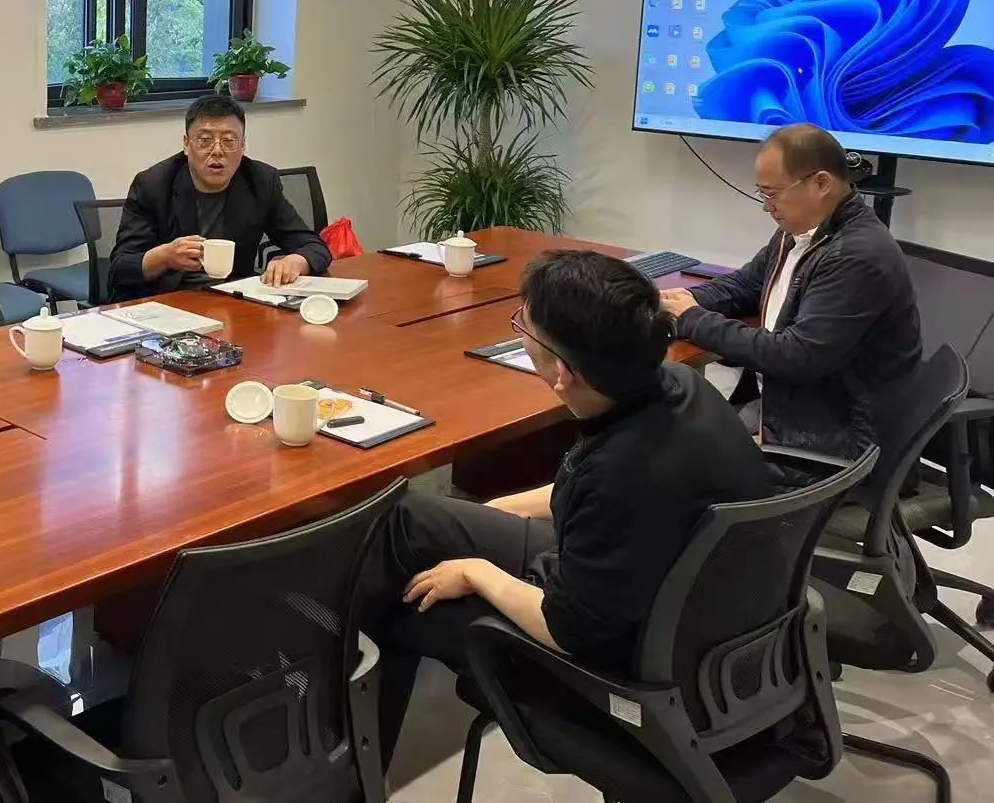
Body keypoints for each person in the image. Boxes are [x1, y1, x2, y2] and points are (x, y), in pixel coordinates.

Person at [363, 250, 771, 764]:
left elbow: (568, 630)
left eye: (523, 326)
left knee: (400, 601)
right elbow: (591, 499)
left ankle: (354, 771)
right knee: (405, 518)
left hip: (622, 662)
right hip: (674, 600)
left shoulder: (621, 473)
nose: (519, 332)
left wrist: (478, 572)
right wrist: (495, 511)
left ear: (561, 371)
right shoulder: (681, 388)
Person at [658, 123, 921, 458]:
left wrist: (693, 319)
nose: (767, 206)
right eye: (762, 194)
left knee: (669, 458)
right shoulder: (802, 230)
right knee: (669, 428)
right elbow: (747, 284)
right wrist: (681, 302)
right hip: (787, 408)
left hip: (834, 444)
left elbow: (796, 356)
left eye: (772, 193)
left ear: (821, 183)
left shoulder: (857, 255)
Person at [108, 94, 332, 301]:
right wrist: (165, 256)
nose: (217, 151)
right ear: (186, 144)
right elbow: (120, 269)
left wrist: (296, 261)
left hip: (234, 302)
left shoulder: (260, 181)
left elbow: (314, 246)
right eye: (205, 140)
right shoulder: (153, 184)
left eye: (229, 141)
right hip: (169, 303)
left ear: (243, 145)